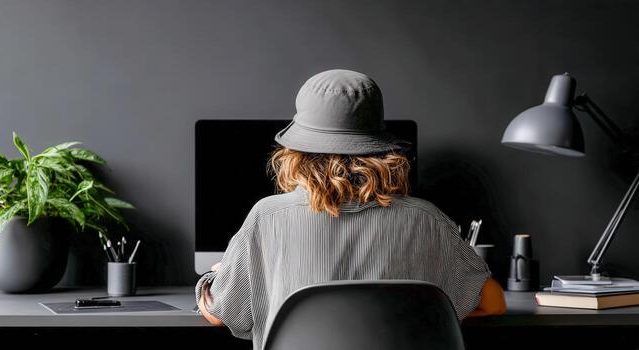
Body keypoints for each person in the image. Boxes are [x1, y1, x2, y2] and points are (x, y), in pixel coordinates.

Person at [196, 69, 506, 349]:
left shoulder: (267, 217)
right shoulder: (427, 219)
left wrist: (215, 278)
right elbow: (494, 304)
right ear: (380, 148)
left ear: (295, 152)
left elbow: (221, 314)